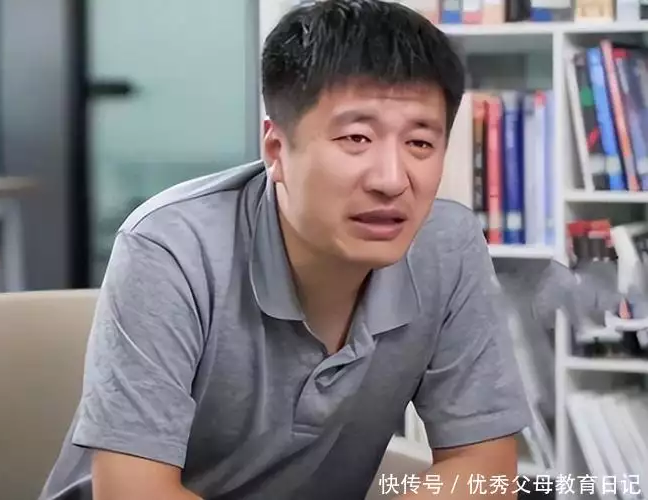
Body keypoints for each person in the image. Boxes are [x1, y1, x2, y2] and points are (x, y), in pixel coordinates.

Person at [40, 1, 531, 499]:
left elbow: (483, 465)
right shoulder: (171, 248)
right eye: (356, 137)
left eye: (420, 144)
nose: (391, 180)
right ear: (276, 150)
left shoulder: (446, 248)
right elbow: (134, 492)